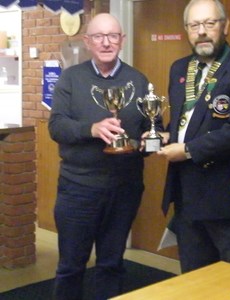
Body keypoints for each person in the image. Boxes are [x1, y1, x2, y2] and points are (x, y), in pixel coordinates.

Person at [48, 13, 161, 300]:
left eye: (113, 36)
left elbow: (154, 129)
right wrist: (92, 129)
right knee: (71, 266)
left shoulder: (138, 80)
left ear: (122, 41)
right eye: (98, 36)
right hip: (78, 190)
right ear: (87, 42)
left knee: (111, 264)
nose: (106, 42)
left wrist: (149, 141)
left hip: (124, 189)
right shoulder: (71, 78)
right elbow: (56, 126)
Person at [157, 0, 230, 273]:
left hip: (225, 196)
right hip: (186, 194)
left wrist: (188, 150)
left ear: (225, 26)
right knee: (193, 278)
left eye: (209, 23)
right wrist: (162, 135)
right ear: (186, 30)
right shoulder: (179, 68)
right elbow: (185, 122)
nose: (202, 31)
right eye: (194, 25)